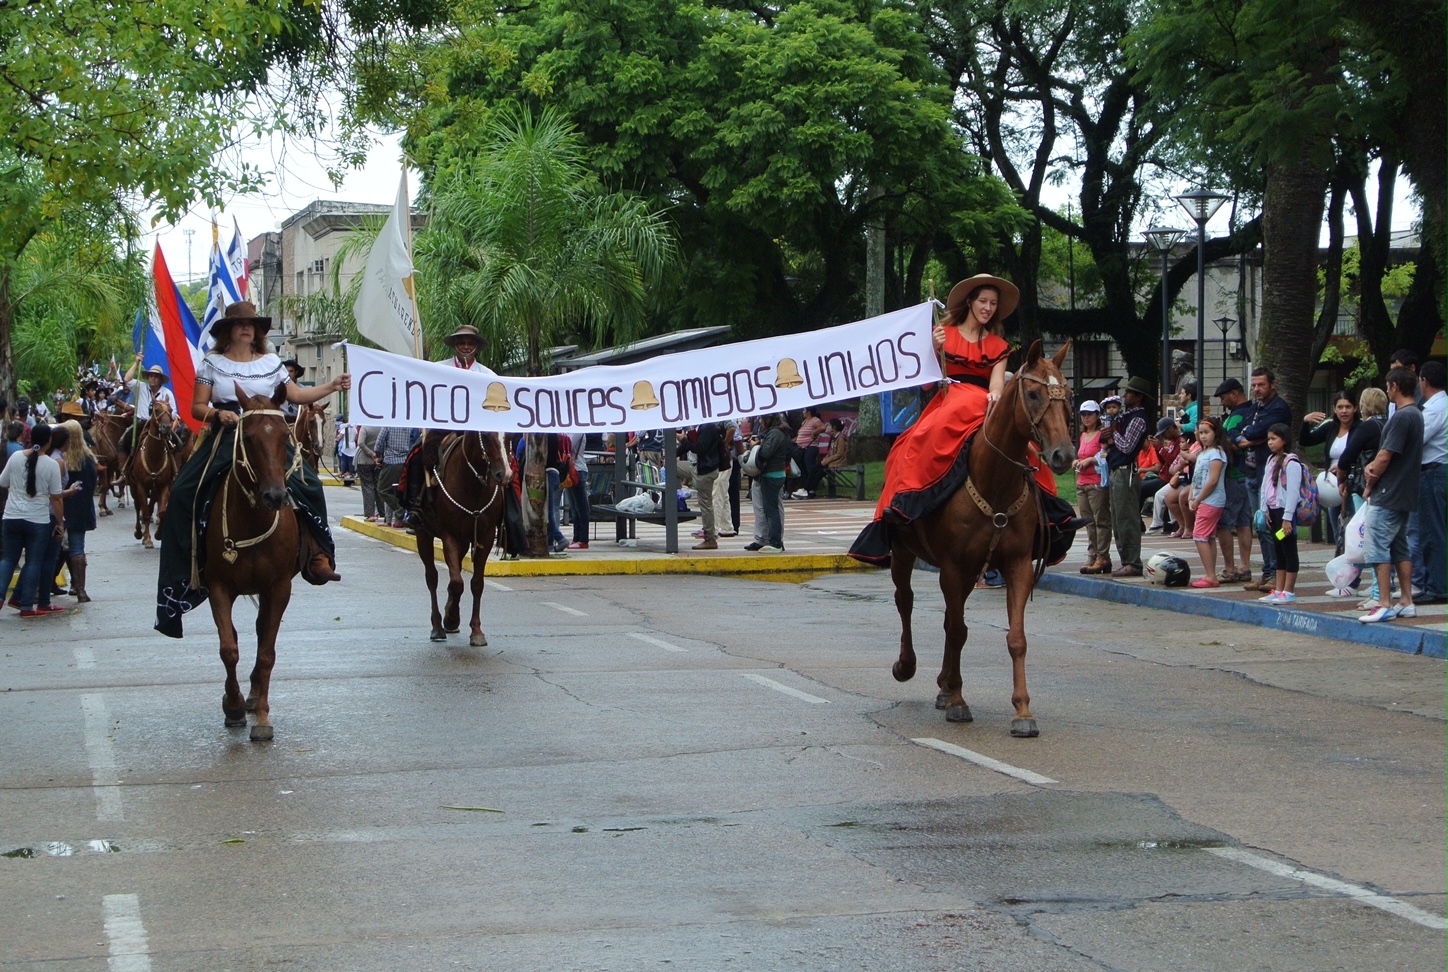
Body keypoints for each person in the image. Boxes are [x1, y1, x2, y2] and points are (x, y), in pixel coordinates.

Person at [155, 302, 350, 639]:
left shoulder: (271, 361)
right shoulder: (212, 362)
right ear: (228, 330)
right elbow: (197, 406)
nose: (247, 328)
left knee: (310, 485)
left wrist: (332, 386)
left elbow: (296, 395)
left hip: (268, 433)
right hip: (228, 432)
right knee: (185, 489)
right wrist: (218, 415)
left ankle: (318, 554)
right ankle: (187, 567)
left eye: (252, 324)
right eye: (240, 324)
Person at [851, 274, 1064, 564]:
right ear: (970, 302)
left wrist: (995, 395)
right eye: (983, 301)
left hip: (984, 402)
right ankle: (906, 503)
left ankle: (1050, 511)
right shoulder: (943, 333)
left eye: (993, 303)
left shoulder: (998, 345)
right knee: (914, 441)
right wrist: (933, 348)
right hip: (949, 399)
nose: (988, 308)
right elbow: (926, 383)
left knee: (1024, 445)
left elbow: (996, 384)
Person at [1359, 368, 1423, 623]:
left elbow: (1385, 455)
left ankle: (1384, 602)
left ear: (1395, 386)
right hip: (1405, 491)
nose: (1387, 390)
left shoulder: (1401, 417)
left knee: (1377, 545)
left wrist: (1370, 475)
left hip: (1389, 491)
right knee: (1400, 546)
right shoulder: (1416, 414)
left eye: (1388, 386)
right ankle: (1406, 600)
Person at [1234, 367, 1292, 592]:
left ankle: (1277, 573)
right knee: (1260, 524)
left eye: (1261, 385)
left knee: (1271, 525)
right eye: (1254, 385)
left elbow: (1256, 431)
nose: (1257, 389)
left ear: (1273, 385)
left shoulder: (1279, 408)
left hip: (1270, 476)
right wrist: (1249, 437)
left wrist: (1250, 435)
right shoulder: (1254, 408)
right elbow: (1236, 430)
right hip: (1251, 472)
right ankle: (1267, 572)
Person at [0, 423, 66, 617]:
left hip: (11, 516)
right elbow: (56, 497)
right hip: (37, 520)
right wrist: (60, 523)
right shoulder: (51, 465)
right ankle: (27, 606)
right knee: (33, 562)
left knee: (9, 559)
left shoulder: (16, 457)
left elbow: (3, 481)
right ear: (49, 441)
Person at [1104, 376, 1154, 577]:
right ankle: (1126, 560)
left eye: (1129, 392)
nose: (1124, 395)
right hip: (1117, 471)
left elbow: (1127, 447)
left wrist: (1113, 434)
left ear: (1138, 397)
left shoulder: (1138, 419)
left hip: (1126, 471)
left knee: (1126, 519)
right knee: (1118, 519)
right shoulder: (1126, 417)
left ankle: (1133, 562)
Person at [1255, 423, 1308, 604]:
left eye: (1274, 439)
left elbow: (1292, 493)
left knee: (1289, 549)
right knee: (1278, 548)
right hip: (1273, 512)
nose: (1270, 442)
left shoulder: (1291, 463)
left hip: (1285, 513)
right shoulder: (1271, 460)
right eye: (1268, 439)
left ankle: (1289, 590)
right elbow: (1265, 485)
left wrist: (1287, 518)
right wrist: (1264, 509)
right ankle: (1278, 589)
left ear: (1284, 440)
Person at [1300, 390, 1359, 547]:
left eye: (1348, 407)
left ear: (1355, 408)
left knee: (1353, 531)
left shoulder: (1360, 428)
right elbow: (1306, 440)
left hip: (1352, 485)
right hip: (1332, 486)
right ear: (1334, 409)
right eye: (1340, 407)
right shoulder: (1331, 427)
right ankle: (1341, 559)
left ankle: (1354, 561)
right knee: (1337, 532)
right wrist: (1305, 422)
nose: (1344, 411)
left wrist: (1344, 468)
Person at [1414, 361, 1448, 603]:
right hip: (1439, 471)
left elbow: (1417, 439)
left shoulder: (1434, 409)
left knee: (1432, 531)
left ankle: (1437, 586)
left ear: (1424, 381)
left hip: (1433, 472)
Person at [115, 358, 178, 473]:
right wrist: (136, 362)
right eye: (151, 376)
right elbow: (127, 379)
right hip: (141, 423)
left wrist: (164, 413)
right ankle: (123, 472)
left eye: (156, 376)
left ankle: (176, 472)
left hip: (161, 425)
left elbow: (174, 413)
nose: (153, 378)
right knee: (123, 441)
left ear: (160, 379)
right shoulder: (140, 386)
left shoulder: (167, 393)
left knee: (178, 443)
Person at [58, 419, 97, 602]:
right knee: (76, 547)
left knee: (61, 547)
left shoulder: (61, 460)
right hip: (79, 509)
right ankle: (79, 589)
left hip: (62, 508)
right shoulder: (87, 459)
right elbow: (89, 486)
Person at [1187, 417, 1228, 588]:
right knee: (1208, 536)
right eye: (1200, 433)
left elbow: (1213, 480)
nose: (1203, 436)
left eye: (1207, 432)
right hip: (1202, 500)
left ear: (1215, 433)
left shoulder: (1217, 453)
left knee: (1199, 536)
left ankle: (1210, 576)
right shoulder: (1202, 453)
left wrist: (1198, 499)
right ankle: (1210, 573)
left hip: (1211, 500)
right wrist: (1191, 497)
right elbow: (1195, 479)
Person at [1073, 400, 1112, 574]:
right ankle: (1092, 553)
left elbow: (1105, 454)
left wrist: (1091, 460)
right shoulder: (1083, 435)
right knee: (1088, 521)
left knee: (1101, 520)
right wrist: (1077, 461)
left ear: (1097, 415)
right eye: (1083, 414)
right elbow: (1081, 454)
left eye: (1089, 414)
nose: (1086, 417)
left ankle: (1103, 556)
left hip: (1096, 482)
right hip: (1082, 481)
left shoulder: (1102, 434)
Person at [688, 422, 730, 550]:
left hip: (706, 469)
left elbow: (700, 448)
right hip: (696, 466)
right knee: (674, 468)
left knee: (707, 503)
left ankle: (710, 537)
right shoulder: (697, 426)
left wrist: (683, 440)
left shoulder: (707, 427)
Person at [752, 413, 790, 552]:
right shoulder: (777, 433)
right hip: (774, 474)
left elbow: (765, 453)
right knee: (770, 509)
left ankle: (775, 542)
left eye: (761, 419)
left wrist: (756, 446)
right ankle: (772, 540)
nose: (760, 422)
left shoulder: (775, 434)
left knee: (771, 510)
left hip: (772, 475)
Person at [790, 407, 827, 499]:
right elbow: (800, 434)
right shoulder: (804, 422)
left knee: (810, 468)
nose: (803, 412)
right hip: (802, 448)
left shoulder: (815, 420)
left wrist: (814, 432)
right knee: (805, 470)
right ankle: (808, 488)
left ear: (808, 412)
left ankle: (811, 489)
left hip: (810, 447)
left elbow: (822, 427)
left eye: (804, 410)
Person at [565, 432, 591, 550]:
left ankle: (583, 539)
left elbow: (568, 445)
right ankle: (576, 537)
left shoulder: (577, 432)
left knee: (581, 506)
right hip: (570, 469)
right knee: (574, 507)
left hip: (577, 469)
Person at [355, 426, 382, 521]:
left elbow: (361, 443)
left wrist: (371, 453)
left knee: (367, 487)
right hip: (378, 461)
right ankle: (382, 512)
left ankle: (370, 514)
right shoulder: (382, 428)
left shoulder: (365, 428)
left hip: (364, 460)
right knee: (378, 486)